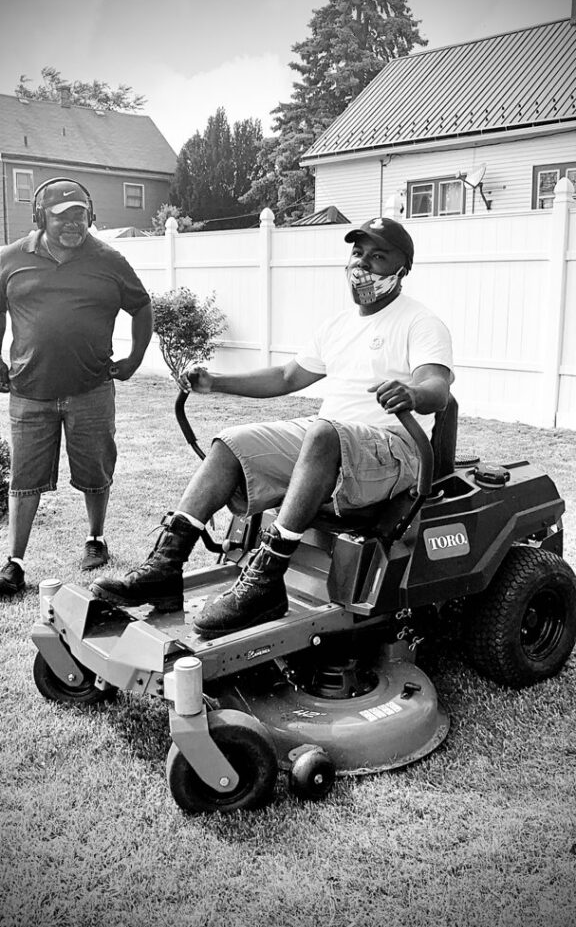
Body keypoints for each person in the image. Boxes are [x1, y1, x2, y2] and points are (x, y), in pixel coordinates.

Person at [92, 216, 453, 638]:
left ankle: (265, 582)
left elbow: (437, 386)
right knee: (231, 443)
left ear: (401, 270)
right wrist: (216, 383)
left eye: (378, 257)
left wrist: (413, 392)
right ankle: (166, 567)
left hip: (395, 447)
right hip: (336, 437)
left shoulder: (420, 322)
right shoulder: (338, 325)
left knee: (322, 432)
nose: (363, 265)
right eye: (358, 253)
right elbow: (285, 378)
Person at [0, 178, 154, 597]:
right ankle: (14, 563)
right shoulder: (11, 258)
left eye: (79, 215)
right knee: (25, 477)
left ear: (91, 216)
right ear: (40, 217)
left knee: (95, 469)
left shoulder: (109, 259)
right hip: (30, 390)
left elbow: (141, 306)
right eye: (61, 216)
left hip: (91, 389)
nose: (72, 224)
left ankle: (96, 539)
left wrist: (135, 357)